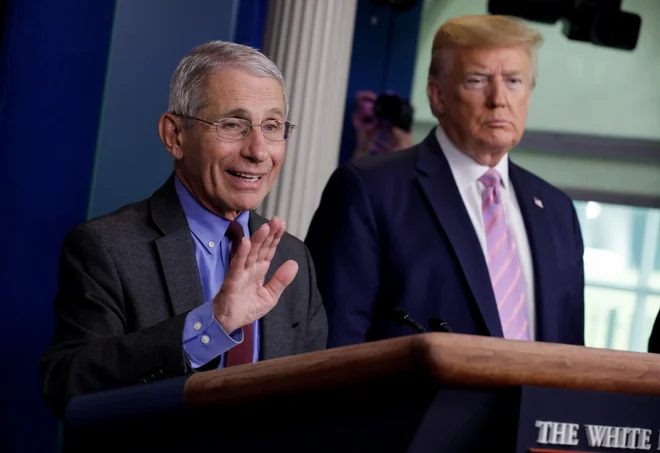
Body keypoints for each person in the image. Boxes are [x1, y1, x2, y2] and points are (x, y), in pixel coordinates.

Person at [40, 41, 327, 418]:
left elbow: (317, 401)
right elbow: (66, 386)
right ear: (174, 135)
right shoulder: (106, 247)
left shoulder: (293, 259)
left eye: (272, 126)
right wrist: (210, 327)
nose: (258, 151)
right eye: (233, 124)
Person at [306, 15, 584, 348]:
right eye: (478, 80)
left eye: (513, 81)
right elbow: (331, 344)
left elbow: (569, 352)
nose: (499, 99)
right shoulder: (369, 190)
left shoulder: (557, 210)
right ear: (438, 96)